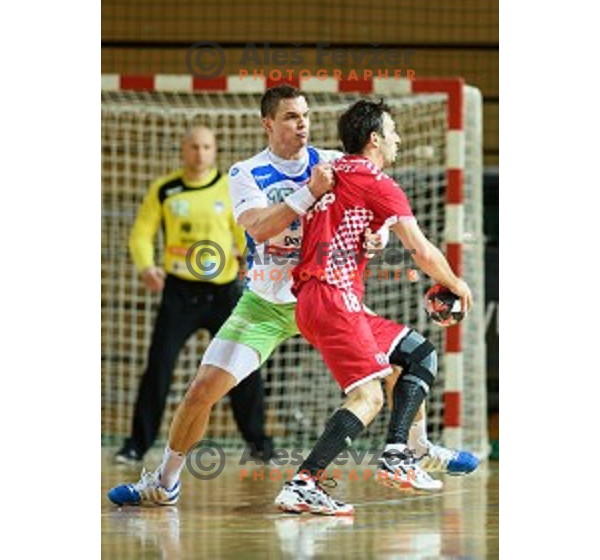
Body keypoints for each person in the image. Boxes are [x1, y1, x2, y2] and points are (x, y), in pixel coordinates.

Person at [107, 86, 476, 508]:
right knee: (201, 390)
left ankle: (417, 449)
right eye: (290, 117)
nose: (302, 124)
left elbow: (368, 212)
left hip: (324, 293)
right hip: (267, 302)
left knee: (401, 362)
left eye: (305, 115)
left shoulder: (335, 162)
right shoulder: (246, 172)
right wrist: (309, 193)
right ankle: (164, 481)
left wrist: (374, 237)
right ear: (268, 123)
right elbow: (259, 227)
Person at [274, 99, 475, 515]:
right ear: (375, 139)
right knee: (368, 395)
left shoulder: (332, 175)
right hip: (332, 296)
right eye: (393, 131)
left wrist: (373, 235)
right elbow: (419, 249)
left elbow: (347, 220)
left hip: (320, 299)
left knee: (419, 353)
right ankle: (304, 482)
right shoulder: (377, 183)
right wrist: (455, 283)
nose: (399, 138)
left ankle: (404, 449)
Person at [114, 125, 273, 466]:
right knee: (159, 367)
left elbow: (247, 231)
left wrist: (247, 259)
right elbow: (141, 234)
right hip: (179, 293)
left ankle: (260, 444)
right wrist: (146, 266)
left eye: (206, 146)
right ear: (183, 150)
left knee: (242, 368)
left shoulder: (229, 189)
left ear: (214, 151)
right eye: (193, 147)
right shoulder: (165, 190)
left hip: (223, 294)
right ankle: (135, 446)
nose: (200, 153)